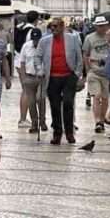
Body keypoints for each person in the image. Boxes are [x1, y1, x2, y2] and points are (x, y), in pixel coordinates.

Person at [37, 17, 83, 145]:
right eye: (51, 26)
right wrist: (40, 69)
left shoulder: (73, 39)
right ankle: (57, 133)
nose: (53, 29)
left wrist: (77, 74)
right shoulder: (44, 41)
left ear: (62, 27)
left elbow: (79, 58)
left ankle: (69, 132)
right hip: (52, 77)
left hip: (69, 76)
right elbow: (38, 57)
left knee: (68, 103)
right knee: (55, 106)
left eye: (56, 26)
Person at [83, 15, 110, 133]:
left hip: (107, 72)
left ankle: (102, 119)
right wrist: (87, 70)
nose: (101, 28)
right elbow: (85, 54)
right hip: (94, 72)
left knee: (105, 98)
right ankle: (97, 121)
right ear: (96, 26)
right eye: (99, 26)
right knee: (97, 96)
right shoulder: (89, 38)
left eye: (103, 26)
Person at [18, 27, 47, 133]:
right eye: (34, 39)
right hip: (29, 77)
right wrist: (23, 78)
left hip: (41, 77)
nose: (36, 42)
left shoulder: (44, 46)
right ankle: (34, 123)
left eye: (37, 39)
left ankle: (42, 121)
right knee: (31, 102)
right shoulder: (26, 46)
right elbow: (22, 62)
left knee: (40, 98)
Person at [15, 10, 40, 128]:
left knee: (25, 91)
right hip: (25, 63)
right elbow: (29, 48)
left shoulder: (20, 28)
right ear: (36, 19)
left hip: (18, 60)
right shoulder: (32, 31)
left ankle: (24, 118)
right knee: (27, 92)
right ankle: (23, 119)